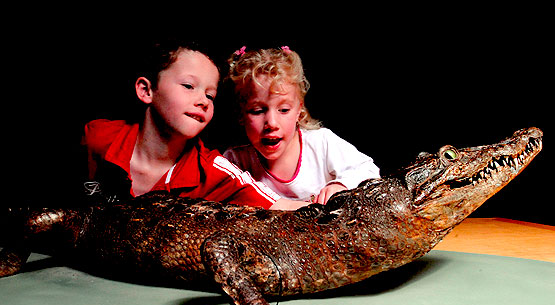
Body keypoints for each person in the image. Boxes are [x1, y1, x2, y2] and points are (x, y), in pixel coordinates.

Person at [82, 39, 304, 210]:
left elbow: (279, 206)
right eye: (189, 86)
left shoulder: (214, 170)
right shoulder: (97, 137)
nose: (202, 101)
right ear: (146, 90)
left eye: (210, 95)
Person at [223, 46, 380, 205]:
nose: (271, 123)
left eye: (283, 110)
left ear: (299, 110)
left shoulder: (321, 144)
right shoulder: (236, 160)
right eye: (257, 111)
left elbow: (369, 171)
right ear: (241, 113)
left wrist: (340, 186)